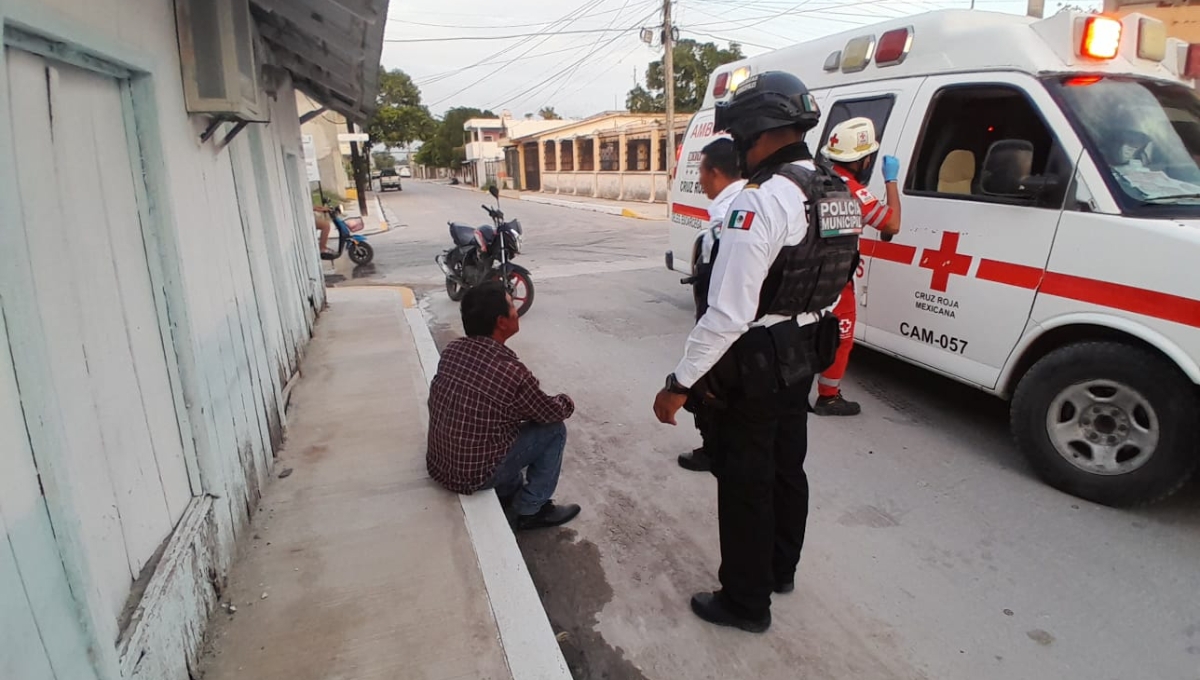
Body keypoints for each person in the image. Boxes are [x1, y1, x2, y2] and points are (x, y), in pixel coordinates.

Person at [652, 71, 861, 633]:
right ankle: (778, 570)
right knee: (788, 467)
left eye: (741, 135)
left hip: (760, 354)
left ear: (760, 131)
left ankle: (745, 602)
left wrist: (679, 384)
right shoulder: (833, 187)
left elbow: (727, 313)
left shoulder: (762, 201)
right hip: (805, 346)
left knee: (747, 479)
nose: (739, 147)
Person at [426, 281, 581, 530]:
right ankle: (531, 510)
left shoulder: (453, 350)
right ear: (501, 322)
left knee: (505, 421)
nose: (516, 311)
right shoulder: (510, 373)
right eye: (512, 307)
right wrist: (567, 400)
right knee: (554, 430)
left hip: (441, 465)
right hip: (472, 475)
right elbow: (550, 412)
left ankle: (508, 490)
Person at [813, 117, 902, 416]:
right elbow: (891, 224)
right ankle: (828, 396)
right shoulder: (851, 189)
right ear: (863, 159)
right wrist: (891, 181)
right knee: (841, 338)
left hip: (804, 274)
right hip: (836, 280)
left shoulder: (814, 180)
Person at [678, 138, 745, 473]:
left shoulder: (726, 218)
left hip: (723, 319)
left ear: (715, 172)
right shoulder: (753, 198)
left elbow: (717, 288)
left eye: (701, 172)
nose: (699, 180)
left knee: (707, 386)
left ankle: (713, 450)